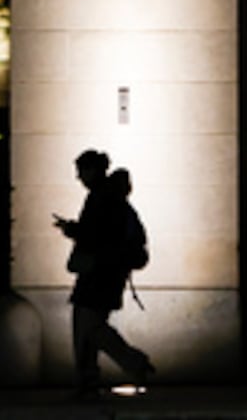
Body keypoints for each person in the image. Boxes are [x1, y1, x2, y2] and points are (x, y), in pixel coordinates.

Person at [53, 149, 155, 397]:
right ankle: (88, 381)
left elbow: (96, 236)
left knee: (89, 328)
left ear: (93, 170)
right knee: (88, 327)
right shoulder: (111, 198)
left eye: (82, 171)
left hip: (99, 273)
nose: (79, 177)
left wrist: (72, 230)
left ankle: (132, 363)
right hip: (107, 273)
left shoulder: (101, 199)